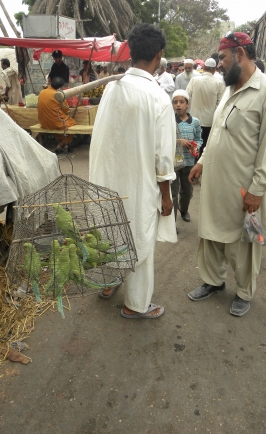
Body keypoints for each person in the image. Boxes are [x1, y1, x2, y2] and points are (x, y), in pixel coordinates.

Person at [188, 32, 266, 316]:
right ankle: (213, 282)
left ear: (240, 54)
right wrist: (202, 161)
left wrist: (257, 189)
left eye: (222, 58)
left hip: (243, 187)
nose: (218, 64)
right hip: (216, 183)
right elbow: (217, 131)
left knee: (243, 245)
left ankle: (244, 292)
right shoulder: (229, 89)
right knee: (210, 236)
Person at [89, 23, 177, 319]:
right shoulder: (157, 97)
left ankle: (108, 283)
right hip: (138, 182)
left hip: (106, 177)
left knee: (109, 229)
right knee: (139, 235)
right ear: (159, 55)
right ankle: (135, 304)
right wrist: (166, 196)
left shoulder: (113, 87)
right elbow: (163, 157)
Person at [171, 89, 202, 223]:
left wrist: (197, 146)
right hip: (174, 164)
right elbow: (164, 140)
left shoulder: (195, 122)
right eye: (175, 102)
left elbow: (199, 139)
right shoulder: (170, 121)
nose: (178, 105)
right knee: (173, 193)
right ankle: (172, 222)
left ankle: (184, 210)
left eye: (181, 102)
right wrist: (180, 142)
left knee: (187, 191)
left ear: (187, 104)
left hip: (189, 163)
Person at [186, 58, 224, 158]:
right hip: (209, 121)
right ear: (214, 69)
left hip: (194, 119)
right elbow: (221, 103)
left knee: (194, 146)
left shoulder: (194, 80)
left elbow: (187, 97)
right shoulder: (219, 83)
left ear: (203, 68)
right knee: (205, 148)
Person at [37, 77, 76, 154]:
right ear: (61, 87)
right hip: (55, 122)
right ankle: (62, 144)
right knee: (73, 123)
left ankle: (62, 144)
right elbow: (66, 109)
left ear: (51, 82)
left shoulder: (42, 92)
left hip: (43, 122)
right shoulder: (58, 95)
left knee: (58, 126)